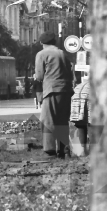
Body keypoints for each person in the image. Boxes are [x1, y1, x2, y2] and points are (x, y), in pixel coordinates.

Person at [35, 31, 74, 159]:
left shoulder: (41, 54)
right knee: (62, 120)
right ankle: (64, 150)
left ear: (41, 43)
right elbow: (70, 71)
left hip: (51, 90)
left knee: (48, 120)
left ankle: (49, 150)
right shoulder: (63, 53)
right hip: (66, 90)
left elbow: (40, 76)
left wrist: (37, 78)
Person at [70, 76, 91, 156]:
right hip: (88, 98)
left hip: (76, 101)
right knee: (92, 125)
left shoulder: (80, 85)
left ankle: (82, 151)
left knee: (81, 125)